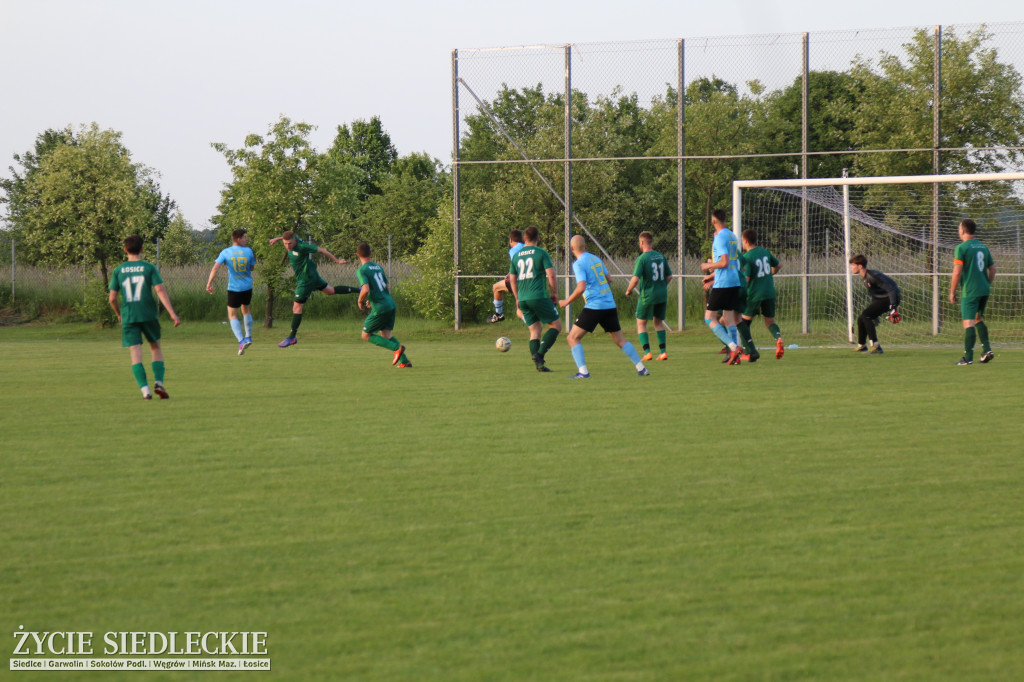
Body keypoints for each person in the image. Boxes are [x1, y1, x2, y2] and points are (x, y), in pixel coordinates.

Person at [560, 235, 649, 378]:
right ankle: (641, 368)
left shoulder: (578, 264)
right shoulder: (595, 258)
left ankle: (583, 372)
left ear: (571, 248)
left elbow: (581, 287)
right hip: (609, 304)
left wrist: (566, 301)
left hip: (595, 306)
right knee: (620, 340)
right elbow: (609, 279)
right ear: (586, 246)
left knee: (572, 338)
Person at [107, 235, 181, 400]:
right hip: (148, 314)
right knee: (155, 348)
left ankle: (145, 391)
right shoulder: (149, 268)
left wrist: (119, 314)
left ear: (125, 250)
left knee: (135, 353)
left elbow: (112, 298)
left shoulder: (118, 270)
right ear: (141, 249)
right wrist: (172, 314)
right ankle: (159, 382)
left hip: (129, 316)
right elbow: (160, 291)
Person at [268, 230, 358, 347]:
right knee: (330, 291)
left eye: (289, 243)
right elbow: (286, 238)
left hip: (306, 280)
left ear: (295, 240)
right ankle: (360, 290)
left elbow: (322, 250)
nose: (287, 246)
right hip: (313, 276)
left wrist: (337, 260)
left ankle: (292, 337)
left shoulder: (302, 246)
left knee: (297, 307)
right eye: (285, 244)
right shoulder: (292, 241)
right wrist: (277, 239)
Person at [509, 225, 562, 372]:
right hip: (538, 296)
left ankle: (539, 365)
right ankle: (539, 354)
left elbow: (512, 279)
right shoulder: (541, 253)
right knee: (556, 326)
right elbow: (551, 275)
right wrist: (554, 293)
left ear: (525, 239)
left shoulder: (517, 255)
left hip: (523, 298)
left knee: (535, 330)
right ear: (538, 238)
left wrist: (517, 298)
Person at [699, 209, 744, 365]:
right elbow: (732, 261)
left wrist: (708, 265)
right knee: (729, 319)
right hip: (734, 281)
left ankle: (733, 347)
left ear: (713, 221)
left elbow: (724, 262)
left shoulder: (719, 238)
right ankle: (735, 356)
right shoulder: (732, 235)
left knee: (709, 318)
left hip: (723, 283)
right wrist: (712, 276)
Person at [356, 243, 411, 367]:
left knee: (366, 335)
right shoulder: (378, 267)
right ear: (370, 253)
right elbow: (385, 286)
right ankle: (405, 362)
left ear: (357, 255)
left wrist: (360, 301)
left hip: (380, 307)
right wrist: (372, 298)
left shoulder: (362, 270)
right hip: (390, 303)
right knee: (386, 334)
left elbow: (365, 289)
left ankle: (397, 348)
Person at [949, 218, 996, 365]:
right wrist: (987, 283)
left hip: (970, 291)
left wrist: (952, 291)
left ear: (962, 230)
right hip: (984, 290)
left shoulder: (961, 248)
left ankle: (967, 358)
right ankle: (987, 350)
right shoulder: (982, 246)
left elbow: (957, 272)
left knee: (968, 323)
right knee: (977, 319)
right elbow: (993, 268)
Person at [737, 229, 785, 362]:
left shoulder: (747, 257)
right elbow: (779, 265)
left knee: (743, 323)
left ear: (745, 241)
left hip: (754, 294)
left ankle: (749, 352)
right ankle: (778, 338)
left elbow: (746, 279)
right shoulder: (764, 251)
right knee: (770, 322)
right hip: (769, 292)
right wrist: (771, 273)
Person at [206, 228, 256, 355]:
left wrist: (209, 283)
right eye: (245, 237)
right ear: (238, 239)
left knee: (232, 315)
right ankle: (248, 336)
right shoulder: (249, 251)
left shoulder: (225, 252)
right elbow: (252, 268)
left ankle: (241, 340)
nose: (246, 239)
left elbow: (215, 268)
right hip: (247, 287)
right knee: (246, 310)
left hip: (234, 288)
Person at [624, 231, 672, 361]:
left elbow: (635, 279)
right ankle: (663, 352)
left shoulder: (642, 259)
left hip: (648, 295)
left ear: (642, 242)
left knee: (641, 323)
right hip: (662, 294)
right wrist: (661, 286)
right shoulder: (660, 256)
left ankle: (647, 353)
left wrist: (628, 290)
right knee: (658, 322)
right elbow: (669, 276)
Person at [848, 254, 900, 354]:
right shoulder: (865, 277)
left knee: (866, 316)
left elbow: (891, 289)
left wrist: (893, 308)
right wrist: (874, 313)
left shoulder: (872, 276)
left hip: (889, 299)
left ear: (860, 266)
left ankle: (876, 346)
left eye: (853, 265)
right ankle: (862, 345)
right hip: (881, 299)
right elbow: (876, 295)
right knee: (861, 318)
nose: (851, 267)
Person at [488, 229, 526, 323]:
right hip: (531, 281)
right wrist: (509, 274)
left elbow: (517, 264)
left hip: (518, 282)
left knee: (496, 287)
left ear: (511, 240)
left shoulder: (513, 250)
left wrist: (511, 276)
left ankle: (499, 314)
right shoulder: (526, 247)